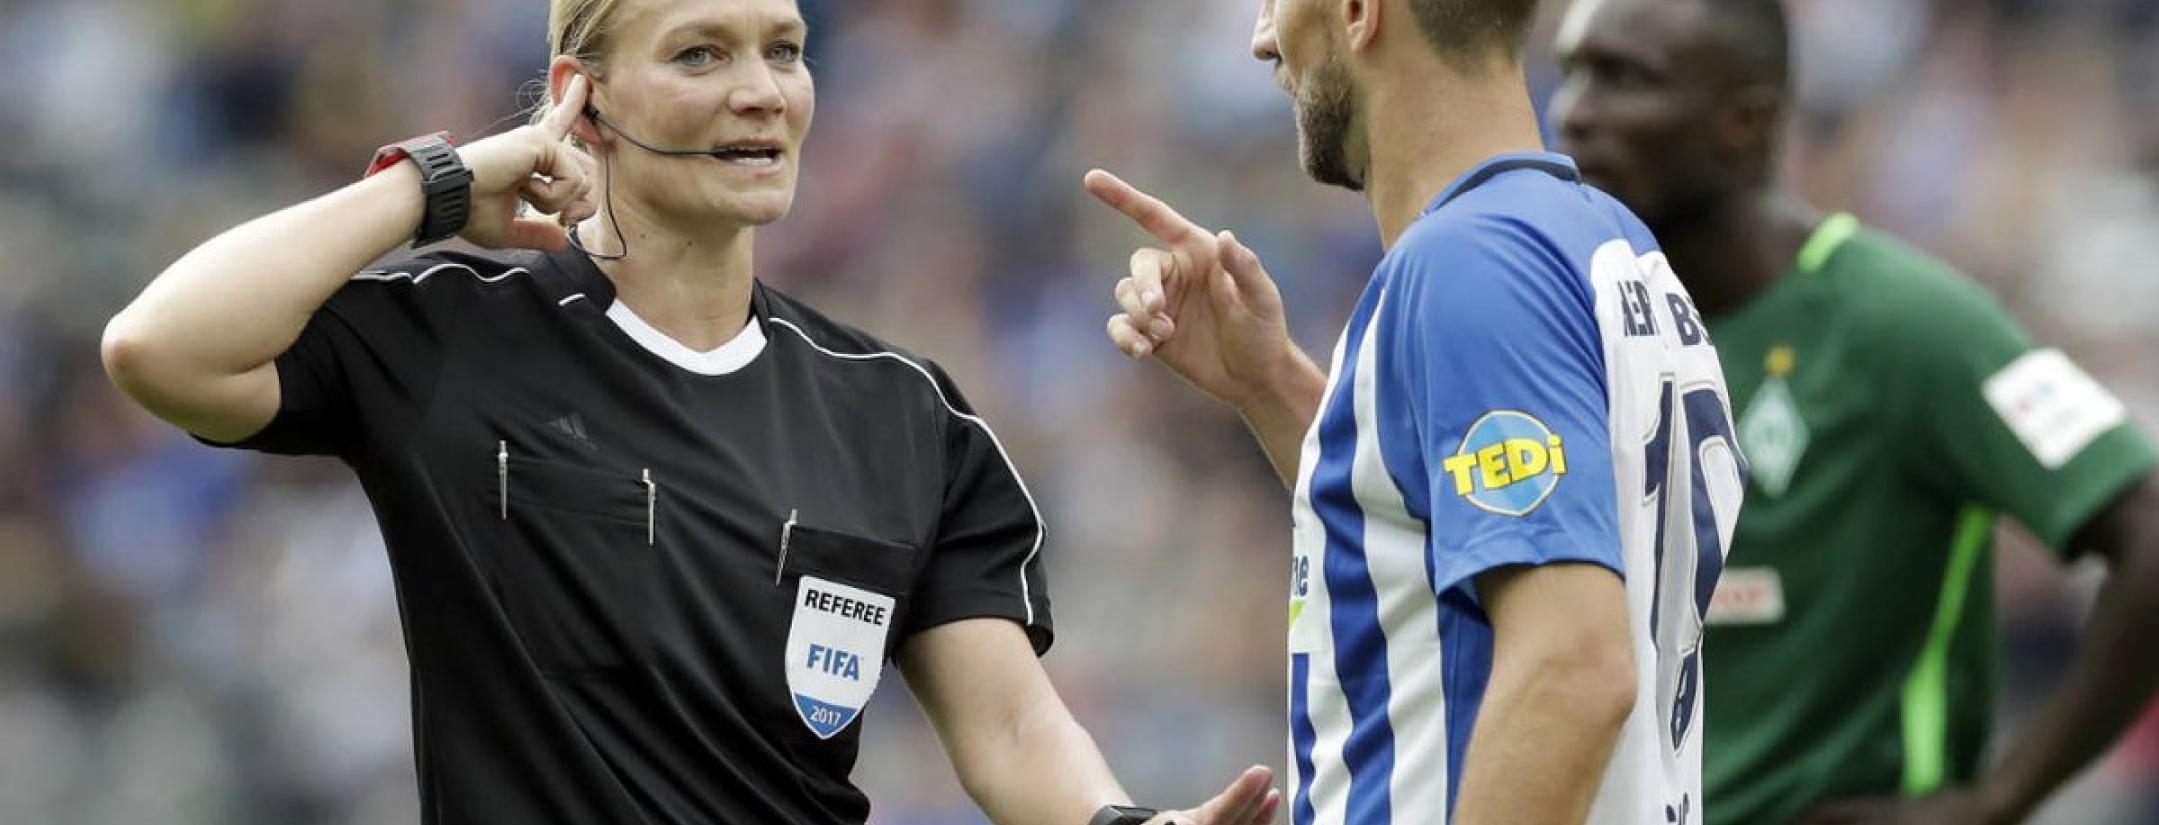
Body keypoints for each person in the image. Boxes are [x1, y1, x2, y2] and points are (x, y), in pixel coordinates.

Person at [97, 1, 1285, 824]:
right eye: (703, 55)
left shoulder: (904, 414)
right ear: (582, 98)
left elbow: (1014, 733)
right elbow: (162, 346)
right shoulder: (453, 334)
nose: (762, 92)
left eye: (786, 49)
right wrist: (442, 179)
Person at [1084, 0, 1743, 822]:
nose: (1263, 37)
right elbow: (1451, 531)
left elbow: (1573, 666)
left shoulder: (1470, 264)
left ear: (1360, 12)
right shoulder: (1609, 243)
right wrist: (1271, 383)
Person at [1547, 1, 2159, 824]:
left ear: (1746, 121)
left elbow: (2149, 534)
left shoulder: (1904, 323)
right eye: (1575, 70)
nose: (1575, 111)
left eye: (1625, 79)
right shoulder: (1589, 332)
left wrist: (1997, 799)